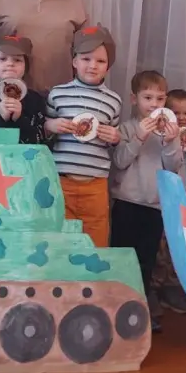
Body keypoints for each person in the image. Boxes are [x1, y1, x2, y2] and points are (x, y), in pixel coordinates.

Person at [110, 71, 185, 332]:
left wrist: (171, 141)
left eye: (160, 98)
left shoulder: (170, 131)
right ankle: (115, 308)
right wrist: (139, 137)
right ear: (134, 99)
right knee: (121, 258)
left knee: (146, 262)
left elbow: (173, 167)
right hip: (126, 203)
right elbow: (120, 161)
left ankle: (138, 311)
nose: (154, 104)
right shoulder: (126, 128)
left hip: (154, 206)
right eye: (148, 97)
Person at [45, 25, 121, 247]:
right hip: (61, 180)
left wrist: (115, 137)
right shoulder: (58, 94)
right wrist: (50, 125)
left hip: (95, 184)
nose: (93, 66)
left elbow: (113, 142)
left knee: (95, 239)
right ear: (74, 61)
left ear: (108, 66)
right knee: (59, 238)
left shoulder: (114, 100)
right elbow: (43, 135)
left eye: (101, 61)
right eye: (86, 59)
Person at [149, 88, 186, 317]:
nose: (181, 118)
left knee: (175, 245)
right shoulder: (159, 136)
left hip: (181, 200)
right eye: (176, 113)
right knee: (159, 246)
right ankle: (154, 288)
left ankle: (171, 287)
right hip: (160, 199)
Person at [0, 35, 47, 144]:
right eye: (2, 59)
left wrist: (20, 119)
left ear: (26, 67)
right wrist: (0, 118)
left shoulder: (36, 100)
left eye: (17, 60)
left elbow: (40, 141)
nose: (10, 64)